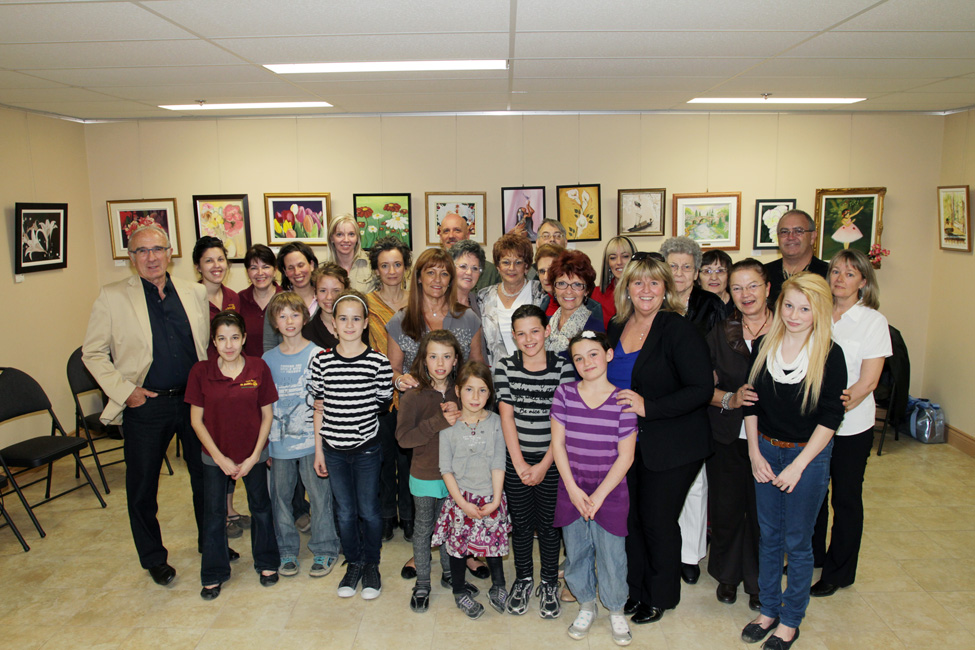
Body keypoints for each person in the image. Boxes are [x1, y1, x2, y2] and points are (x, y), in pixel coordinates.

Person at [82, 224, 209, 587]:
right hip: (146, 404)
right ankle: (154, 558)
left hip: (191, 401)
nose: (151, 257)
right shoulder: (111, 297)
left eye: (157, 249)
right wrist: (126, 391)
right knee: (142, 487)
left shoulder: (194, 292)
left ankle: (209, 543)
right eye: (141, 251)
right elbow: (92, 353)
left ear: (171, 253)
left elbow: (203, 346)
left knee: (205, 477)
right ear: (130, 258)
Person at [740, 273, 847, 650]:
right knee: (769, 536)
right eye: (789, 306)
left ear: (818, 311)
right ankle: (768, 609)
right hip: (766, 450)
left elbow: (831, 418)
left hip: (809, 457)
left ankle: (790, 619)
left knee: (797, 541)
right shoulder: (765, 346)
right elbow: (750, 404)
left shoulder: (830, 354)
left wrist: (799, 464)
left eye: (805, 308)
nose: (795, 315)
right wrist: (754, 452)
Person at [608, 256, 712, 625]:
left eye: (654, 283)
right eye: (638, 283)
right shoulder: (616, 325)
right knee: (632, 520)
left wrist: (648, 407)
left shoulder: (676, 328)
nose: (646, 290)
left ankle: (661, 596)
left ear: (666, 287)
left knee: (657, 521)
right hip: (626, 444)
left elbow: (701, 388)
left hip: (674, 443)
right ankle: (636, 591)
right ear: (627, 288)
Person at [810, 249, 891, 598]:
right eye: (835, 272)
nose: (840, 279)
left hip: (850, 426)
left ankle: (838, 571)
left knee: (844, 498)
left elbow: (868, 381)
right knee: (813, 494)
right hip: (812, 424)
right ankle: (811, 554)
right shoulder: (816, 313)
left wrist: (833, 409)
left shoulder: (873, 322)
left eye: (849, 273)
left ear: (863, 282)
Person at [551, 331, 638, 646]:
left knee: (612, 554)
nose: (586, 362)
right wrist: (573, 490)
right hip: (573, 488)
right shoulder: (564, 394)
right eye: (578, 357)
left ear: (609, 354)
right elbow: (558, 445)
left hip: (609, 492)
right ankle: (586, 604)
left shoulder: (623, 400)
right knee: (576, 552)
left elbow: (626, 456)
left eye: (593, 354)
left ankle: (616, 608)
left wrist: (599, 495)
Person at [186, 311, 279, 600]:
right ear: (213, 341)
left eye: (235, 338)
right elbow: (196, 421)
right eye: (222, 338)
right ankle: (213, 572)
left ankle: (266, 562)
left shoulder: (258, 368)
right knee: (214, 515)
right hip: (216, 457)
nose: (229, 345)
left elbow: (267, 415)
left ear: (244, 339)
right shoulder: (200, 372)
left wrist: (254, 457)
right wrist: (221, 459)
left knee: (261, 509)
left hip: (254, 454)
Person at [309, 290, 394, 600]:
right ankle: (354, 563)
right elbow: (318, 408)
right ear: (333, 324)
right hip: (332, 449)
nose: (349, 324)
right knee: (345, 512)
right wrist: (319, 450)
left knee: (369, 511)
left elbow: (384, 403)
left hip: (367, 449)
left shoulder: (378, 362)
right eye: (342, 318)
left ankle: (372, 564)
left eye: (355, 319)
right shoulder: (321, 361)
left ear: (366, 323)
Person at [494, 304, 574, 618]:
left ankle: (549, 581)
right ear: (513, 337)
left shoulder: (562, 367)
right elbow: (507, 418)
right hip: (516, 460)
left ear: (547, 331)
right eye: (521, 333)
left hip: (553, 460)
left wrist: (542, 465)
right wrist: (520, 465)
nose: (529, 339)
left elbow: (563, 422)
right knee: (523, 525)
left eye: (535, 331)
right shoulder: (505, 366)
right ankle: (524, 578)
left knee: (550, 526)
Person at [705, 259, 772, 611]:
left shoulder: (788, 328)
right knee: (728, 509)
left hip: (773, 439)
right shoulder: (721, 332)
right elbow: (702, 385)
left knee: (764, 514)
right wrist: (729, 399)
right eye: (737, 288)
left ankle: (759, 581)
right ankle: (728, 576)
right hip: (728, 436)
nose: (745, 295)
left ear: (767, 289)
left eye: (752, 286)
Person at [263, 292, 340, 580]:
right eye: (282, 316)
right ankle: (286, 550)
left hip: (312, 442)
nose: (289, 321)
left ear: (304, 317)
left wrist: (324, 445)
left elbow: (326, 402)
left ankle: (325, 547)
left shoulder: (319, 354)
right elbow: (264, 406)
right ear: (274, 322)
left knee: (320, 496)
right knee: (280, 498)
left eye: (294, 314)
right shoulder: (267, 360)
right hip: (278, 441)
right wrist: (267, 443)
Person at [659, 235, 722, 584]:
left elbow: (718, 358)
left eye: (687, 267)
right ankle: (666, 548)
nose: (679, 273)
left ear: (697, 272)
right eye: (673, 266)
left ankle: (690, 555)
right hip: (658, 404)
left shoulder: (711, 306)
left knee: (695, 484)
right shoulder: (654, 300)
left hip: (696, 403)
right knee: (663, 486)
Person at [394, 330, 467, 613]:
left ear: (456, 360)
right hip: (424, 474)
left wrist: (460, 414)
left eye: (447, 356)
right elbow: (403, 439)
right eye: (433, 356)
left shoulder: (461, 391)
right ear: (423, 360)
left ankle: (450, 575)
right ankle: (422, 582)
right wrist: (438, 421)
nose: (440, 363)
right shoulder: (413, 396)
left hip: (456, 476)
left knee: (450, 528)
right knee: (424, 530)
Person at [432, 361, 511, 619]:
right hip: (460, 498)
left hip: (491, 495)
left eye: (482, 390)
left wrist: (496, 499)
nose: (475, 397)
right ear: (457, 390)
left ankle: (498, 585)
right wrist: (462, 504)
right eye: (468, 390)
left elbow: (499, 461)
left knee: (494, 545)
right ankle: (458, 590)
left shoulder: (497, 422)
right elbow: (446, 469)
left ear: (490, 393)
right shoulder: (449, 426)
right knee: (458, 547)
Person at [365, 236, 414, 543]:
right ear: (376, 269)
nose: (392, 271)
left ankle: (408, 516)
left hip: (413, 391)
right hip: (377, 392)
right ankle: (386, 515)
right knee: (382, 458)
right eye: (385, 265)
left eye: (397, 264)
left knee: (408, 457)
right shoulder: (365, 303)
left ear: (406, 267)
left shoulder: (418, 301)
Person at [387, 247, 485, 394]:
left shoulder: (469, 318)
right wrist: (400, 380)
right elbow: (393, 371)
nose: (437, 279)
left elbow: (477, 366)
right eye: (431, 272)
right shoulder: (400, 321)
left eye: (444, 274)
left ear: (451, 280)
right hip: (417, 406)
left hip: (460, 406)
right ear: (419, 277)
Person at [478, 233, 547, 366]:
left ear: (526, 267)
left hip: (534, 371)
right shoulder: (484, 296)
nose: (511, 268)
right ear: (497, 266)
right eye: (506, 262)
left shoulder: (540, 293)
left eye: (518, 262)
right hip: (496, 376)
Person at [546, 249, 604, 358]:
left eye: (577, 284)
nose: (568, 291)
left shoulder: (594, 328)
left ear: (586, 290)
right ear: (554, 288)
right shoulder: (545, 324)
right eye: (562, 283)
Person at [263, 242, 319, 353]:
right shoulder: (276, 304)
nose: (297, 272)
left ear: (311, 265)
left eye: (301, 265)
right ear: (284, 271)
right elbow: (269, 346)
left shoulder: (325, 301)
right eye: (290, 267)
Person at [764, 210, 828, 306]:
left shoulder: (829, 274)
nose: (790, 237)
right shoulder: (764, 274)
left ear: (812, 237)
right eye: (784, 232)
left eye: (798, 231)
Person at [302, 263, 369, 350]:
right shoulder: (307, 333)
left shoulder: (361, 325)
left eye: (336, 290)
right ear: (315, 293)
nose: (329, 297)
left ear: (346, 291)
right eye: (323, 290)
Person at [238, 244, 282, 359]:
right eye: (253, 268)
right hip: (248, 371)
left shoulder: (287, 299)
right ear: (247, 272)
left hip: (281, 369)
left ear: (275, 270)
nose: (260, 272)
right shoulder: (238, 300)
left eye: (266, 267)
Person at [449, 240, 490, 363]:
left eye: (475, 268)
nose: (469, 273)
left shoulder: (478, 302)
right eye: (463, 266)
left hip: (475, 375)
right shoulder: (440, 303)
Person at [438, 211, 501, 290]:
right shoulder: (434, 268)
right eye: (446, 231)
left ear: (467, 235)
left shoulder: (488, 271)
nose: (451, 235)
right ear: (441, 237)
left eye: (457, 230)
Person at [591, 236, 636, 329]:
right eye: (613, 258)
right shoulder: (597, 295)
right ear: (607, 262)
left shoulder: (644, 293)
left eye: (625, 256)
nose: (619, 262)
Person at [327, 214, 374, 293]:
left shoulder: (372, 264)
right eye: (339, 234)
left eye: (351, 234)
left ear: (357, 238)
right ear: (332, 238)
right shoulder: (324, 269)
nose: (346, 240)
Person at [699, 249, 735, 321]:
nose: (714, 278)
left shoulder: (738, 303)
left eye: (720, 271)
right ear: (698, 278)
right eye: (707, 271)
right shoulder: (691, 308)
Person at [534, 243, 563, 316]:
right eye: (542, 271)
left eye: (551, 271)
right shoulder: (544, 301)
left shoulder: (573, 304)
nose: (546, 277)